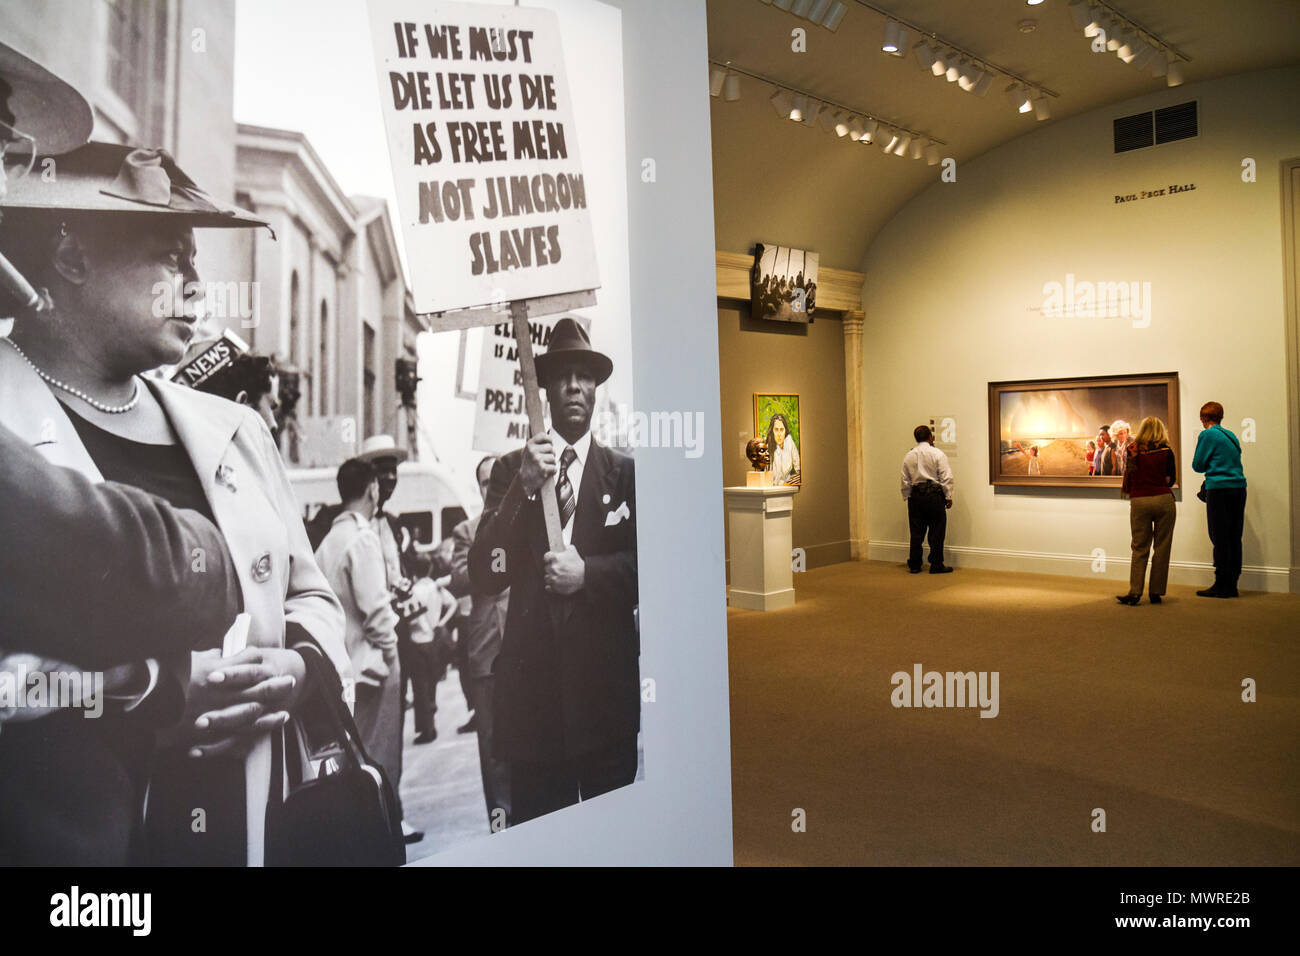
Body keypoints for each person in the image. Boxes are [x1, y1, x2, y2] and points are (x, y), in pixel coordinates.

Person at [0, 140, 350, 866]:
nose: (198, 288)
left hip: (248, 829)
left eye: (197, 262)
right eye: (172, 258)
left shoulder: (237, 429)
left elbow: (309, 592)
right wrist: (152, 701)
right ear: (70, 256)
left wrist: (297, 669)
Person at [469, 317, 639, 824]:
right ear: (543, 388)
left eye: (584, 376)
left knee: (612, 839)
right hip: (535, 712)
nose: (574, 386)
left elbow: (651, 567)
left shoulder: (624, 474)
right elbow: (486, 572)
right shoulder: (510, 471)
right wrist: (521, 489)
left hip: (605, 703)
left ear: (596, 388)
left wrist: (590, 575)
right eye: (563, 375)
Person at [313, 458, 420, 846]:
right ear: (372, 489)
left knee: (356, 757)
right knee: (381, 757)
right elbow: (376, 612)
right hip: (374, 667)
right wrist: (392, 654)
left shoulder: (329, 541)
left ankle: (364, 834)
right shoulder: (362, 538)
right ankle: (384, 831)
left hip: (343, 668)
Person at [449, 454, 512, 826]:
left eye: (497, 479)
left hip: (524, 647)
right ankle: (502, 823)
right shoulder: (466, 531)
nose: (492, 487)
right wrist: (489, 550)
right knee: (492, 746)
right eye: (486, 482)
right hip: (487, 651)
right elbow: (458, 578)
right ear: (479, 487)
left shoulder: (525, 522)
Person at [1116, 417, 1177, 606]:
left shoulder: (1133, 450)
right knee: (1162, 547)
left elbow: (1131, 475)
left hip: (1140, 500)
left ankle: (1135, 592)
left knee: (1139, 547)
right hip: (1163, 500)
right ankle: (1156, 592)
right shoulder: (1166, 451)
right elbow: (1171, 479)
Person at [1191, 401, 1247, 598]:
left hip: (1219, 489)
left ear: (1203, 418)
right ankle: (1232, 583)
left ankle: (1221, 583)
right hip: (1239, 488)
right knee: (1234, 536)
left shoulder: (1207, 434)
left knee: (1219, 536)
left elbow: (1198, 465)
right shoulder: (1231, 435)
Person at [405, 550, 457, 745]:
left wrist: (424, 627)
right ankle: (431, 725)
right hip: (434, 640)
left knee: (420, 687)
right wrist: (441, 622)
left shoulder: (413, 591)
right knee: (432, 684)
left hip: (418, 641)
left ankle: (426, 729)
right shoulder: (435, 587)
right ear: (430, 568)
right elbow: (453, 604)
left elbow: (413, 618)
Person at [900, 424, 954, 574]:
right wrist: (948, 495)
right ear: (931, 437)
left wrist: (907, 495)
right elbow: (946, 476)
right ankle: (936, 564)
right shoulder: (937, 454)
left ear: (916, 438)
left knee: (916, 531)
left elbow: (905, 479)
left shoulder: (909, 455)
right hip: (934, 496)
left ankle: (915, 564)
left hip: (916, 496)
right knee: (937, 531)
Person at [766, 412, 801, 485]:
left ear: (785, 430)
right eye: (776, 430)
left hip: (788, 487)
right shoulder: (768, 448)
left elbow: (799, 468)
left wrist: (791, 481)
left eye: (781, 429)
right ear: (772, 431)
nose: (779, 434)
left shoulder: (789, 442)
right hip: (771, 488)